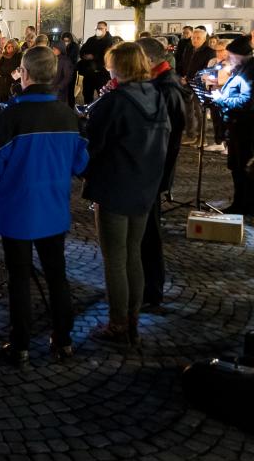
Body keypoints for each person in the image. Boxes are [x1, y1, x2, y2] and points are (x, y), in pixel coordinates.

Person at [0, 46, 89, 365]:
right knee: (57, 275)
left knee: (20, 278)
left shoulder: (11, 116)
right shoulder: (68, 114)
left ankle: (20, 344)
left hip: (17, 209)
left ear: (24, 74)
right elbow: (81, 162)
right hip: (54, 208)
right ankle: (63, 340)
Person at [83, 43, 170, 348]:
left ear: (119, 67)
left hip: (115, 188)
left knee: (115, 259)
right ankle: (132, 321)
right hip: (144, 188)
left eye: (110, 66)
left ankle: (118, 324)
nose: (108, 71)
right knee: (133, 254)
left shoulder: (116, 101)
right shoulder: (156, 97)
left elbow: (93, 145)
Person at [136, 37, 186, 308]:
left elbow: (164, 138)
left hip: (152, 173)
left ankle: (151, 291)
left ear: (149, 61)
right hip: (151, 171)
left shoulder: (166, 88)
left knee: (149, 234)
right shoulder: (160, 84)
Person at [212, 36, 254, 215]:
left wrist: (221, 99)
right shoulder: (242, 69)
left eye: (231, 55)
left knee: (242, 167)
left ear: (241, 55)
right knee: (237, 167)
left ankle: (244, 205)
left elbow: (246, 101)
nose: (228, 59)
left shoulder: (249, 71)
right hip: (236, 126)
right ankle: (240, 203)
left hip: (245, 128)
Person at [180, 26, 216, 144]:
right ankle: (190, 135)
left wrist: (190, 78)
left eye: (198, 38)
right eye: (193, 38)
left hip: (199, 85)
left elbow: (207, 70)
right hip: (186, 83)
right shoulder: (189, 48)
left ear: (204, 38)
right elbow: (184, 63)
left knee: (199, 112)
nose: (194, 40)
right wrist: (183, 76)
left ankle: (202, 138)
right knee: (188, 111)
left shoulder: (209, 52)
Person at [78, 21, 113, 104]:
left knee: (103, 95)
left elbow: (107, 55)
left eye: (100, 28)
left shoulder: (109, 41)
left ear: (106, 29)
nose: (98, 30)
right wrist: (84, 56)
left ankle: (101, 113)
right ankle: (87, 111)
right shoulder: (91, 39)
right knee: (87, 94)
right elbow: (82, 50)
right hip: (89, 72)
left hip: (102, 73)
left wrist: (93, 56)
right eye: (97, 28)